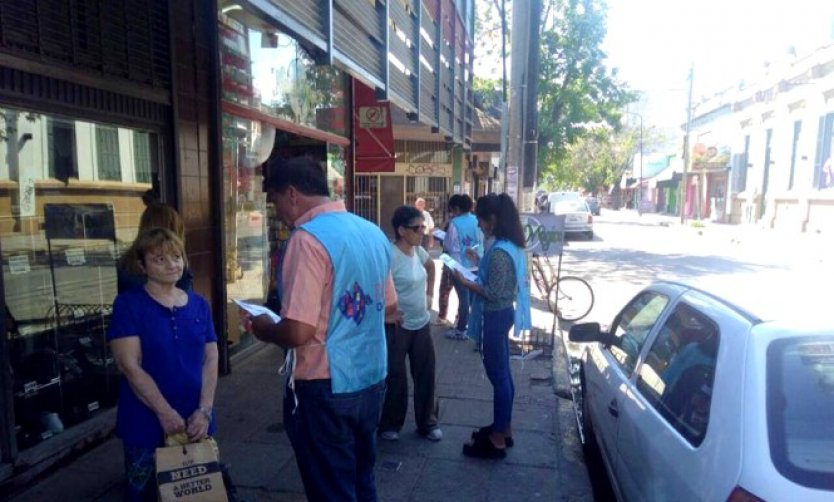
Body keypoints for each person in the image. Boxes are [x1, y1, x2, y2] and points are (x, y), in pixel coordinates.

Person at [249, 156, 397, 502]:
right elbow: (390, 307)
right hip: (372, 377)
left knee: (331, 488)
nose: (280, 213)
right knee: (362, 479)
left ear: (292, 194)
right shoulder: (370, 231)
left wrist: (265, 328)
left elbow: (298, 331)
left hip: (324, 385)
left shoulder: (307, 239)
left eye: (275, 202)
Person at [108, 228, 219, 501]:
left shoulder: (199, 305)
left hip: (195, 420)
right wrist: (164, 412)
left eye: (177, 256)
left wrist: (204, 410)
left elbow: (211, 357)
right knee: (143, 493)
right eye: (159, 259)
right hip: (145, 420)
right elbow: (128, 365)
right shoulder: (129, 305)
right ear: (141, 265)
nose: (172, 264)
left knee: (197, 494)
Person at [453, 193, 531, 459]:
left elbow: (494, 292)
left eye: (480, 220)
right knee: (503, 374)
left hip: (495, 316)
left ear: (493, 220)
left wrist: (467, 283)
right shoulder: (509, 246)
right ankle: (503, 427)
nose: (479, 225)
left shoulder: (499, 252)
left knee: (498, 376)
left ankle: (498, 436)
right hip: (503, 315)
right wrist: (478, 262)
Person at [379, 206, 442, 442]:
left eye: (423, 228)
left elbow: (431, 266)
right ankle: (391, 423)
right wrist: (386, 314)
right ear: (401, 230)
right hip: (398, 326)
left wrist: (430, 296)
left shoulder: (418, 252)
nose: (422, 232)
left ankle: (428, 422)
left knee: (426, 374)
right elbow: (377, 287)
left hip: (421, 324)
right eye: (417, 228)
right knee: (395, 376)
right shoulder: (390, 255)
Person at [117, 202, 193, 293]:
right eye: (160, 259)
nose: (171, 265)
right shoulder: (175, 270)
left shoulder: (126, 263)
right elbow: (186, 302)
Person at [445, 194, 482, 340]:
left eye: (452, 209)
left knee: (463, 299)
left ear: (457, 208)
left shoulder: (455, 223)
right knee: (473, 299)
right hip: (475, 264)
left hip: (459, 266)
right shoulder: (476, 220)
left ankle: (461, 330)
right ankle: (473, 327)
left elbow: (448, 244)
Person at [432, 219, 455, 327]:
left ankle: (442, 316)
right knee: (464, 294)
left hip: (450, 260)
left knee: (445, 289)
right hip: (467, 263)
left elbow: (446, 244)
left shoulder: (452, 223)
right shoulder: (475, 222)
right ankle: (460, 319)